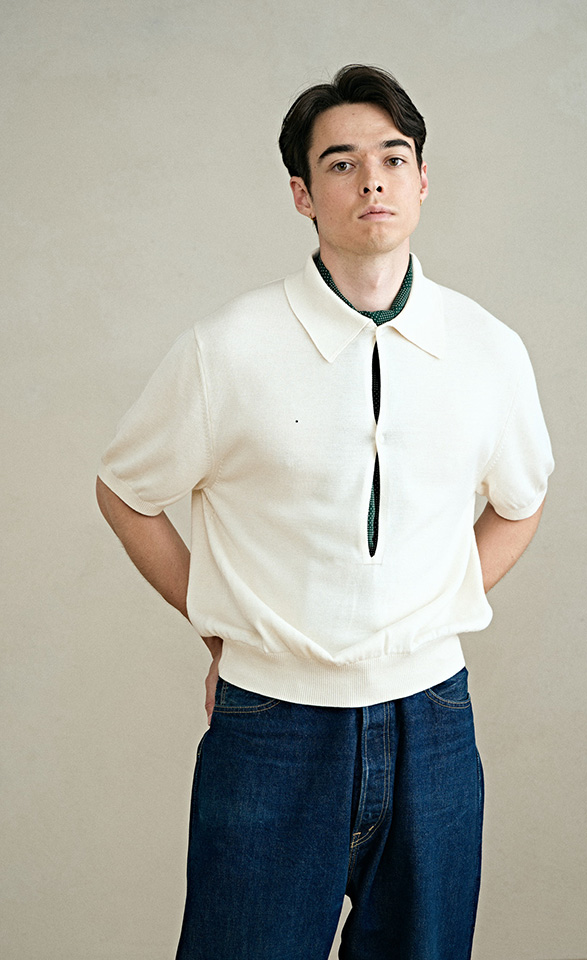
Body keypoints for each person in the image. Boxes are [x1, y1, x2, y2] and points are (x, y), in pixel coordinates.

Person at [96, 64, 553, 960]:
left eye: (393, 157)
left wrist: (432, 605)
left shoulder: (489, 349)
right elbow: (125, 492)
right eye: (341, 163)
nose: (372, 180)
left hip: (434, 721)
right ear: (303, 194)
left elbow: (520, 504)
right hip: (272, 723)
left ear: (423, 180)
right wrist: (221, 627)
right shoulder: (228, 348)